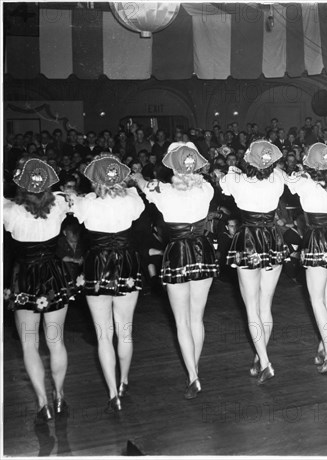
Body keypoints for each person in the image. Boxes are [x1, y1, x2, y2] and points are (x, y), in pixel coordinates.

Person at [131, 142, 218, 399]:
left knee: (181, 321)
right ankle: (195, 368)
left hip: (178, 253)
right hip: (202, 251)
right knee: (196, 318)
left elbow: (142, 183)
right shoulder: (207, 189)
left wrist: (136, 175)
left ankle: (193, 375)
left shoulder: (163, 191)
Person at [3, 159, 75, 425]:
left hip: (25, 277)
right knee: (56, 341)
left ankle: (43, 403)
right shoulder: (59, 204)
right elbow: (73, 198)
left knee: (29, 344)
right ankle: (59, 395)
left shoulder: (8, 210)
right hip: (53, 275)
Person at [71, 154, 144, 413]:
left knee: (104, 335)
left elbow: (72, 206)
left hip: (97, 264)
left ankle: (113, 392)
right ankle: (123, 380)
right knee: (125, 329)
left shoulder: (86, 203)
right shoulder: (132, 199)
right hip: (126, 261)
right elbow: (138, 204)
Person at [217, 140, 288, 384]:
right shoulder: (277, 178)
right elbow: (276, 172)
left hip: (249, 238)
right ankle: (261, 357)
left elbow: (225, 183)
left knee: (251, 307)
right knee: (265, 303)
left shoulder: (237, 181)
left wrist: (231, 166)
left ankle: (265, 361)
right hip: (271, 237)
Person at [285, 143, 327, 372]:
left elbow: (282, 178)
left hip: (317, 237)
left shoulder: (304, 182)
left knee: (316, 299)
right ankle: (323, 347)